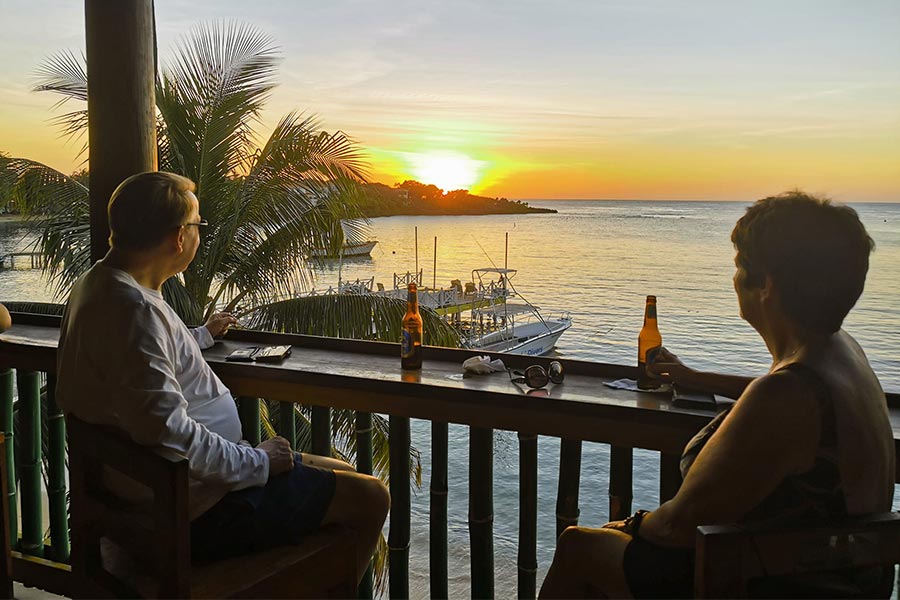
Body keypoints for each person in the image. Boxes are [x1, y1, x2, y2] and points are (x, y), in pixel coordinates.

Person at [539, 191, 894, 598]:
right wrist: (696, 378)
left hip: (774, 583)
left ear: (767, 286)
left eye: (740, 265)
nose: (733, 278)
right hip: (836, 578)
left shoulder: (785, 397)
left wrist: (630, 525)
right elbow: (789, 399)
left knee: (579, 546)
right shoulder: (840, 352)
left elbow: (678, 525)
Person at [57, 171, 389, 576]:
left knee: (345, 473)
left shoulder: (99, 285)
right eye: (199, 225)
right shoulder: (134, 310)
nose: (199, 234)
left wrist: (201, 335)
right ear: (179, 237)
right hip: (195, 510)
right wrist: (258, 463)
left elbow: (142, 358)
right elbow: (170, 434)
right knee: (371, 497)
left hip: (161, 493)